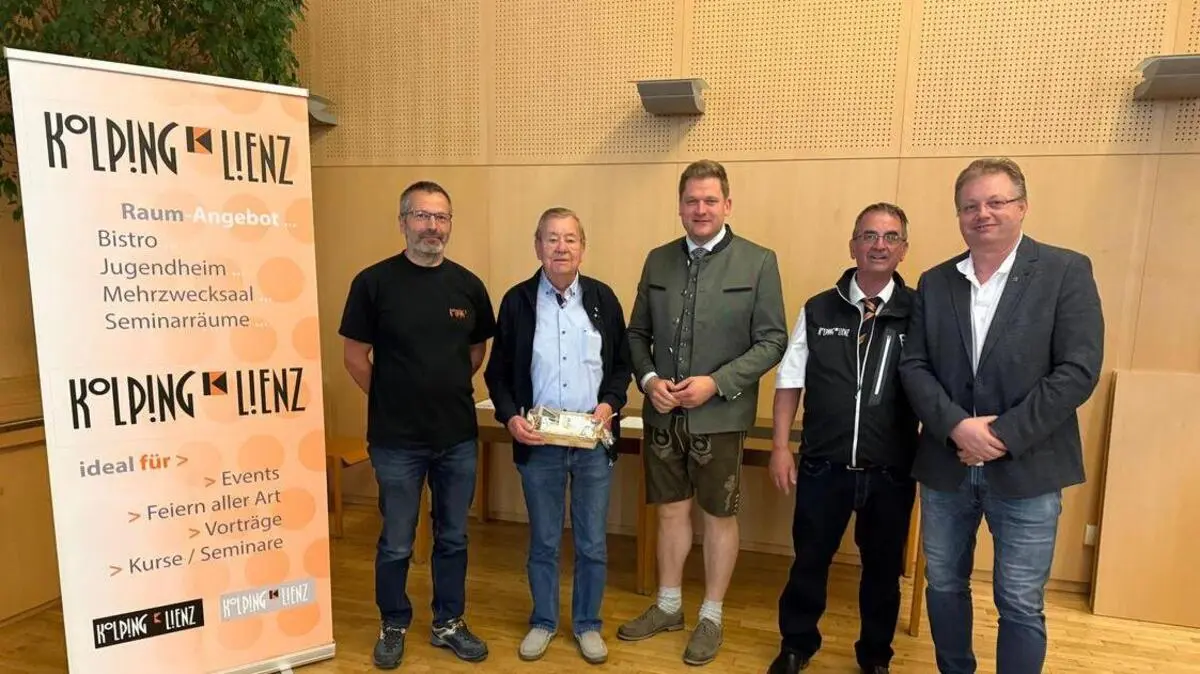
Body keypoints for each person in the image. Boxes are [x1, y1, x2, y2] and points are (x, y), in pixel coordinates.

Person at [897, 158, 1104, 674]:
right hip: (947, 465)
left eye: (996, 202)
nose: (982, 214)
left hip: (1028, 466)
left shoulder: (1065, 271)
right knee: (944, 583)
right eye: (970, 206)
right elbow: (914, 365)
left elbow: (1077, 370)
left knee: (1019, 599)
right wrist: (957, 427)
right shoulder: (935, 281)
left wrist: (1001, 435)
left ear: (1023, 207)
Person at [618, 159, 788, 666]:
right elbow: (636, 334)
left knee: (718, 516)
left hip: (722, 419)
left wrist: (717, 383)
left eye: (710, 200)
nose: (700, 209)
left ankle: (711, 615)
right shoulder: (658, 260)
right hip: (663, 417)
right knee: (670, 511)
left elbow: (772, 340)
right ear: (679, 206)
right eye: (691, 200)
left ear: (727, 205)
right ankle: (669, 605)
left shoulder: (759, 262)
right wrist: (649, 381)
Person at [339, 180, 495, 670]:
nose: (432, 226)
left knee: (453, 537)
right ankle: (393, 623)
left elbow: (476, 351)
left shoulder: (468, 285)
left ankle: (449, 622)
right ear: (403, 221)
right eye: (422, 216)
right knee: (397, 541)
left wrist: (441, 387)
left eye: (441, 217)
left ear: (449, 225)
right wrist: (392, 397)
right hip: (396, 441)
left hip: (456, 438)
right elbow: (354, 356)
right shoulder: (373, 283)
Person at [766, 203, 919, 674]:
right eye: (869, 236)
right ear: (853, 245)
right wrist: (780, 447)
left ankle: (875, 656)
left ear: (904, 249)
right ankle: (797, 645)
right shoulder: (819, 308)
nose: (879, 245)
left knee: (882, 572)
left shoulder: (919, 312)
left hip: (890, 471)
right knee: (809, 562)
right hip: (823, 466)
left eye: (890, 237)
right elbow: (790, 380)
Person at [483, 207, 633, 665]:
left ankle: (587, 624)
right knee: (544, 541)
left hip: (592, 440)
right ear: (538, 247)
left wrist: (609, 404)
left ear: (583, 248)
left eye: (570, 239)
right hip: (540, 443)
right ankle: (544, 621)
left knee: (592, 543)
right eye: (552, 239)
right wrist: (510, 418)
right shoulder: (518, 301)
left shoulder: (603, 299)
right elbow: (497, 374)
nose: (561, 247)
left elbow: (621, 366)